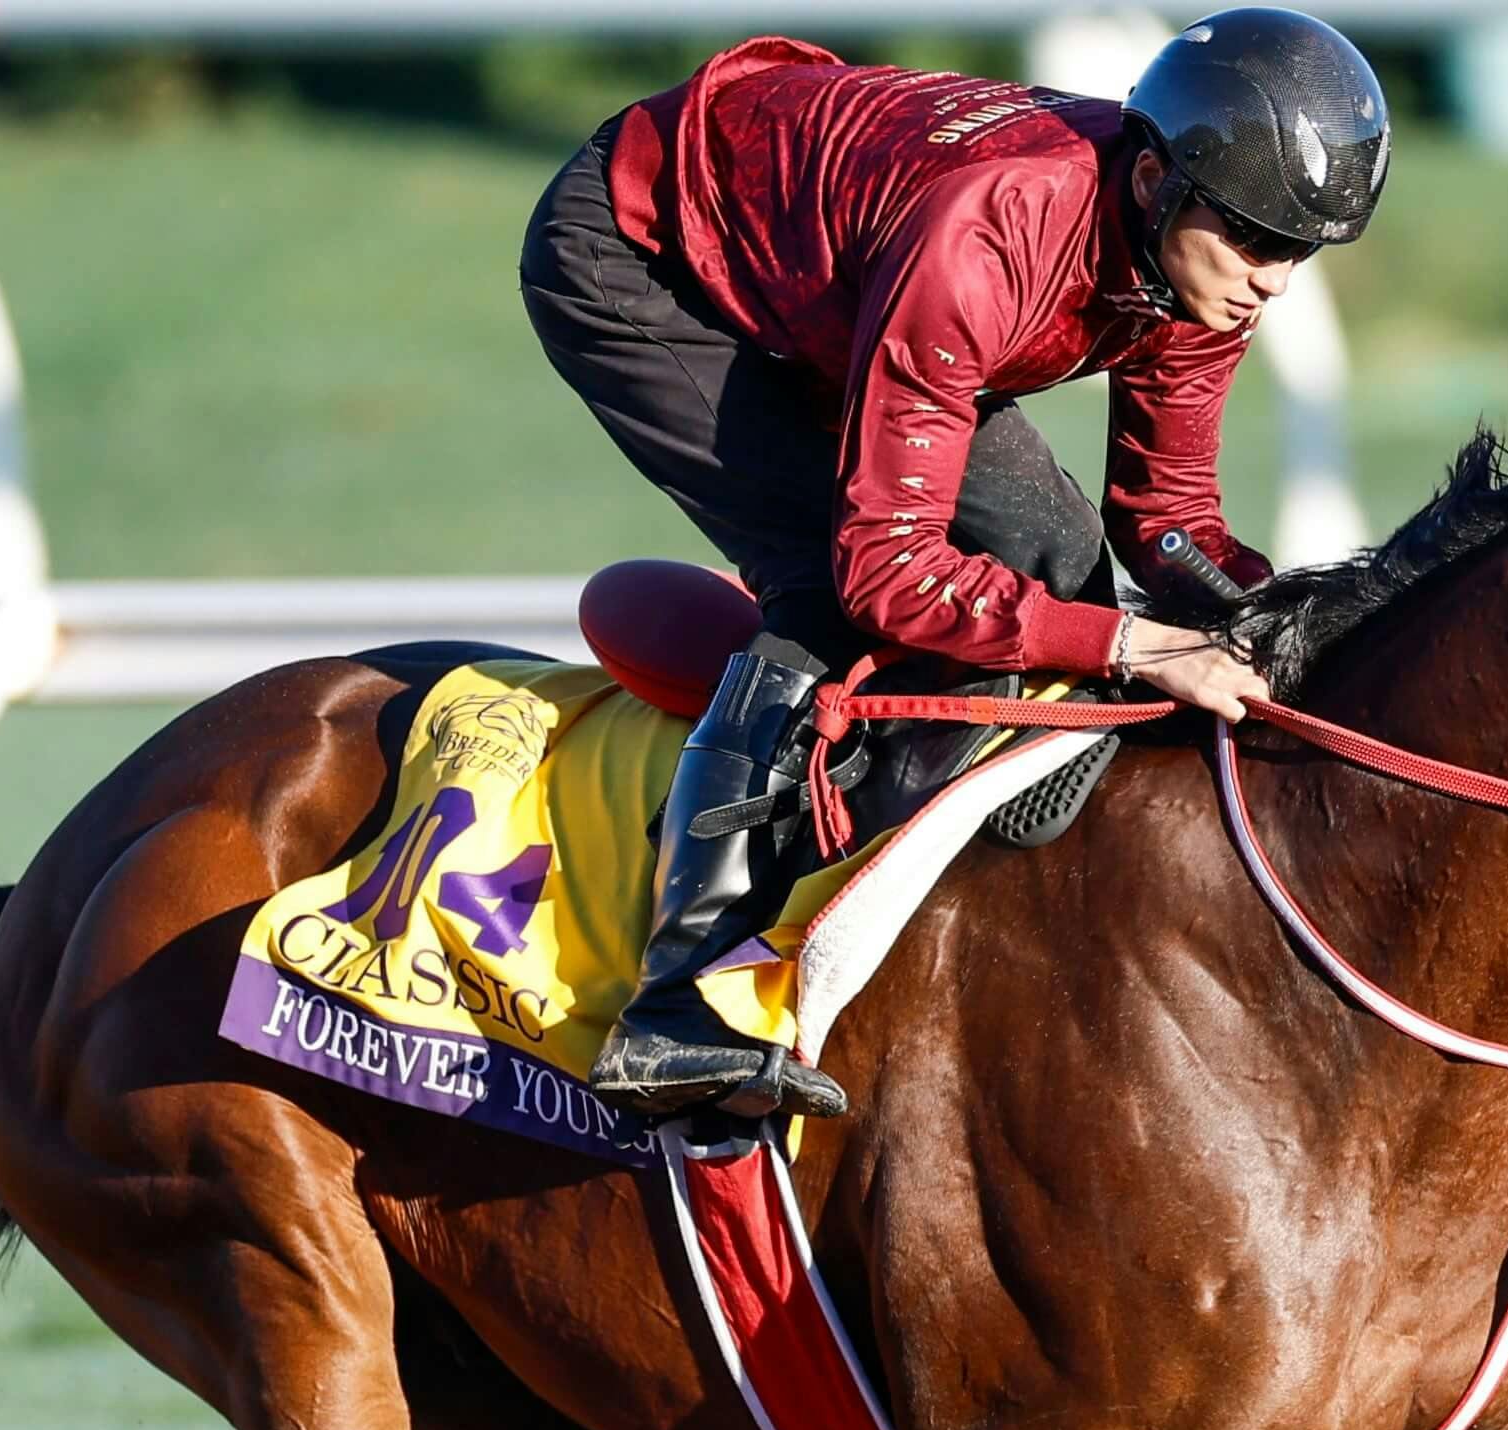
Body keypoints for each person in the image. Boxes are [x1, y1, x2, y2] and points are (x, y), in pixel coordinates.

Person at [523, 11, 1392, 1120]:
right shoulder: (996, 239)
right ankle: (676, 1004)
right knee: (830, 591)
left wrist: (1285, 628)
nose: (1274, 282)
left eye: (1300, 249)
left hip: (848, 271)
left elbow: (1163, 515)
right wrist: (1134, 643)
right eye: (1257, 241)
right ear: (1154, 184)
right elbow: (890, 570)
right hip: (644, 259)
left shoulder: (1202, 258)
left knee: (1058, 562)